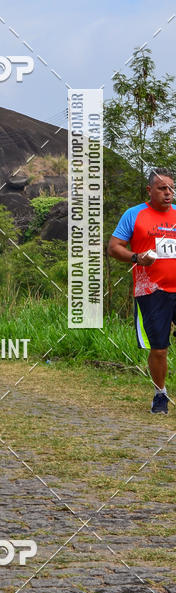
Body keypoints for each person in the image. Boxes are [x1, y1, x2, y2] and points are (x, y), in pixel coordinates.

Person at [108, 168, 176, 415]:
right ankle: (160, 394)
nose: (168, 193)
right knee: (159, 348)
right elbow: (114, 248)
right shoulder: (134, 215)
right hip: (152, 290)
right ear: (150, 190)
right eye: (162, 188)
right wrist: (136, 257)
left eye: (171, 188)